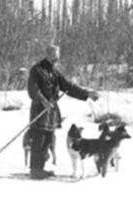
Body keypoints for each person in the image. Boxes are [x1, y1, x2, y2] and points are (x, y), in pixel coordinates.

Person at [27, 44, 99, 179]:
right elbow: (33, 89)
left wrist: (87, 94)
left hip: (51, 110)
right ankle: (35, 170)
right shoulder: (36, 70)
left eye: (58, 56)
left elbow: (68, 87)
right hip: (40, 109)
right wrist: (43, 101)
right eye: (54, 56)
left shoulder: (55, 72)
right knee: (39, 138)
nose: (56, 59)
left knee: (48, 139)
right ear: (48, 55)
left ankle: (40, 168)